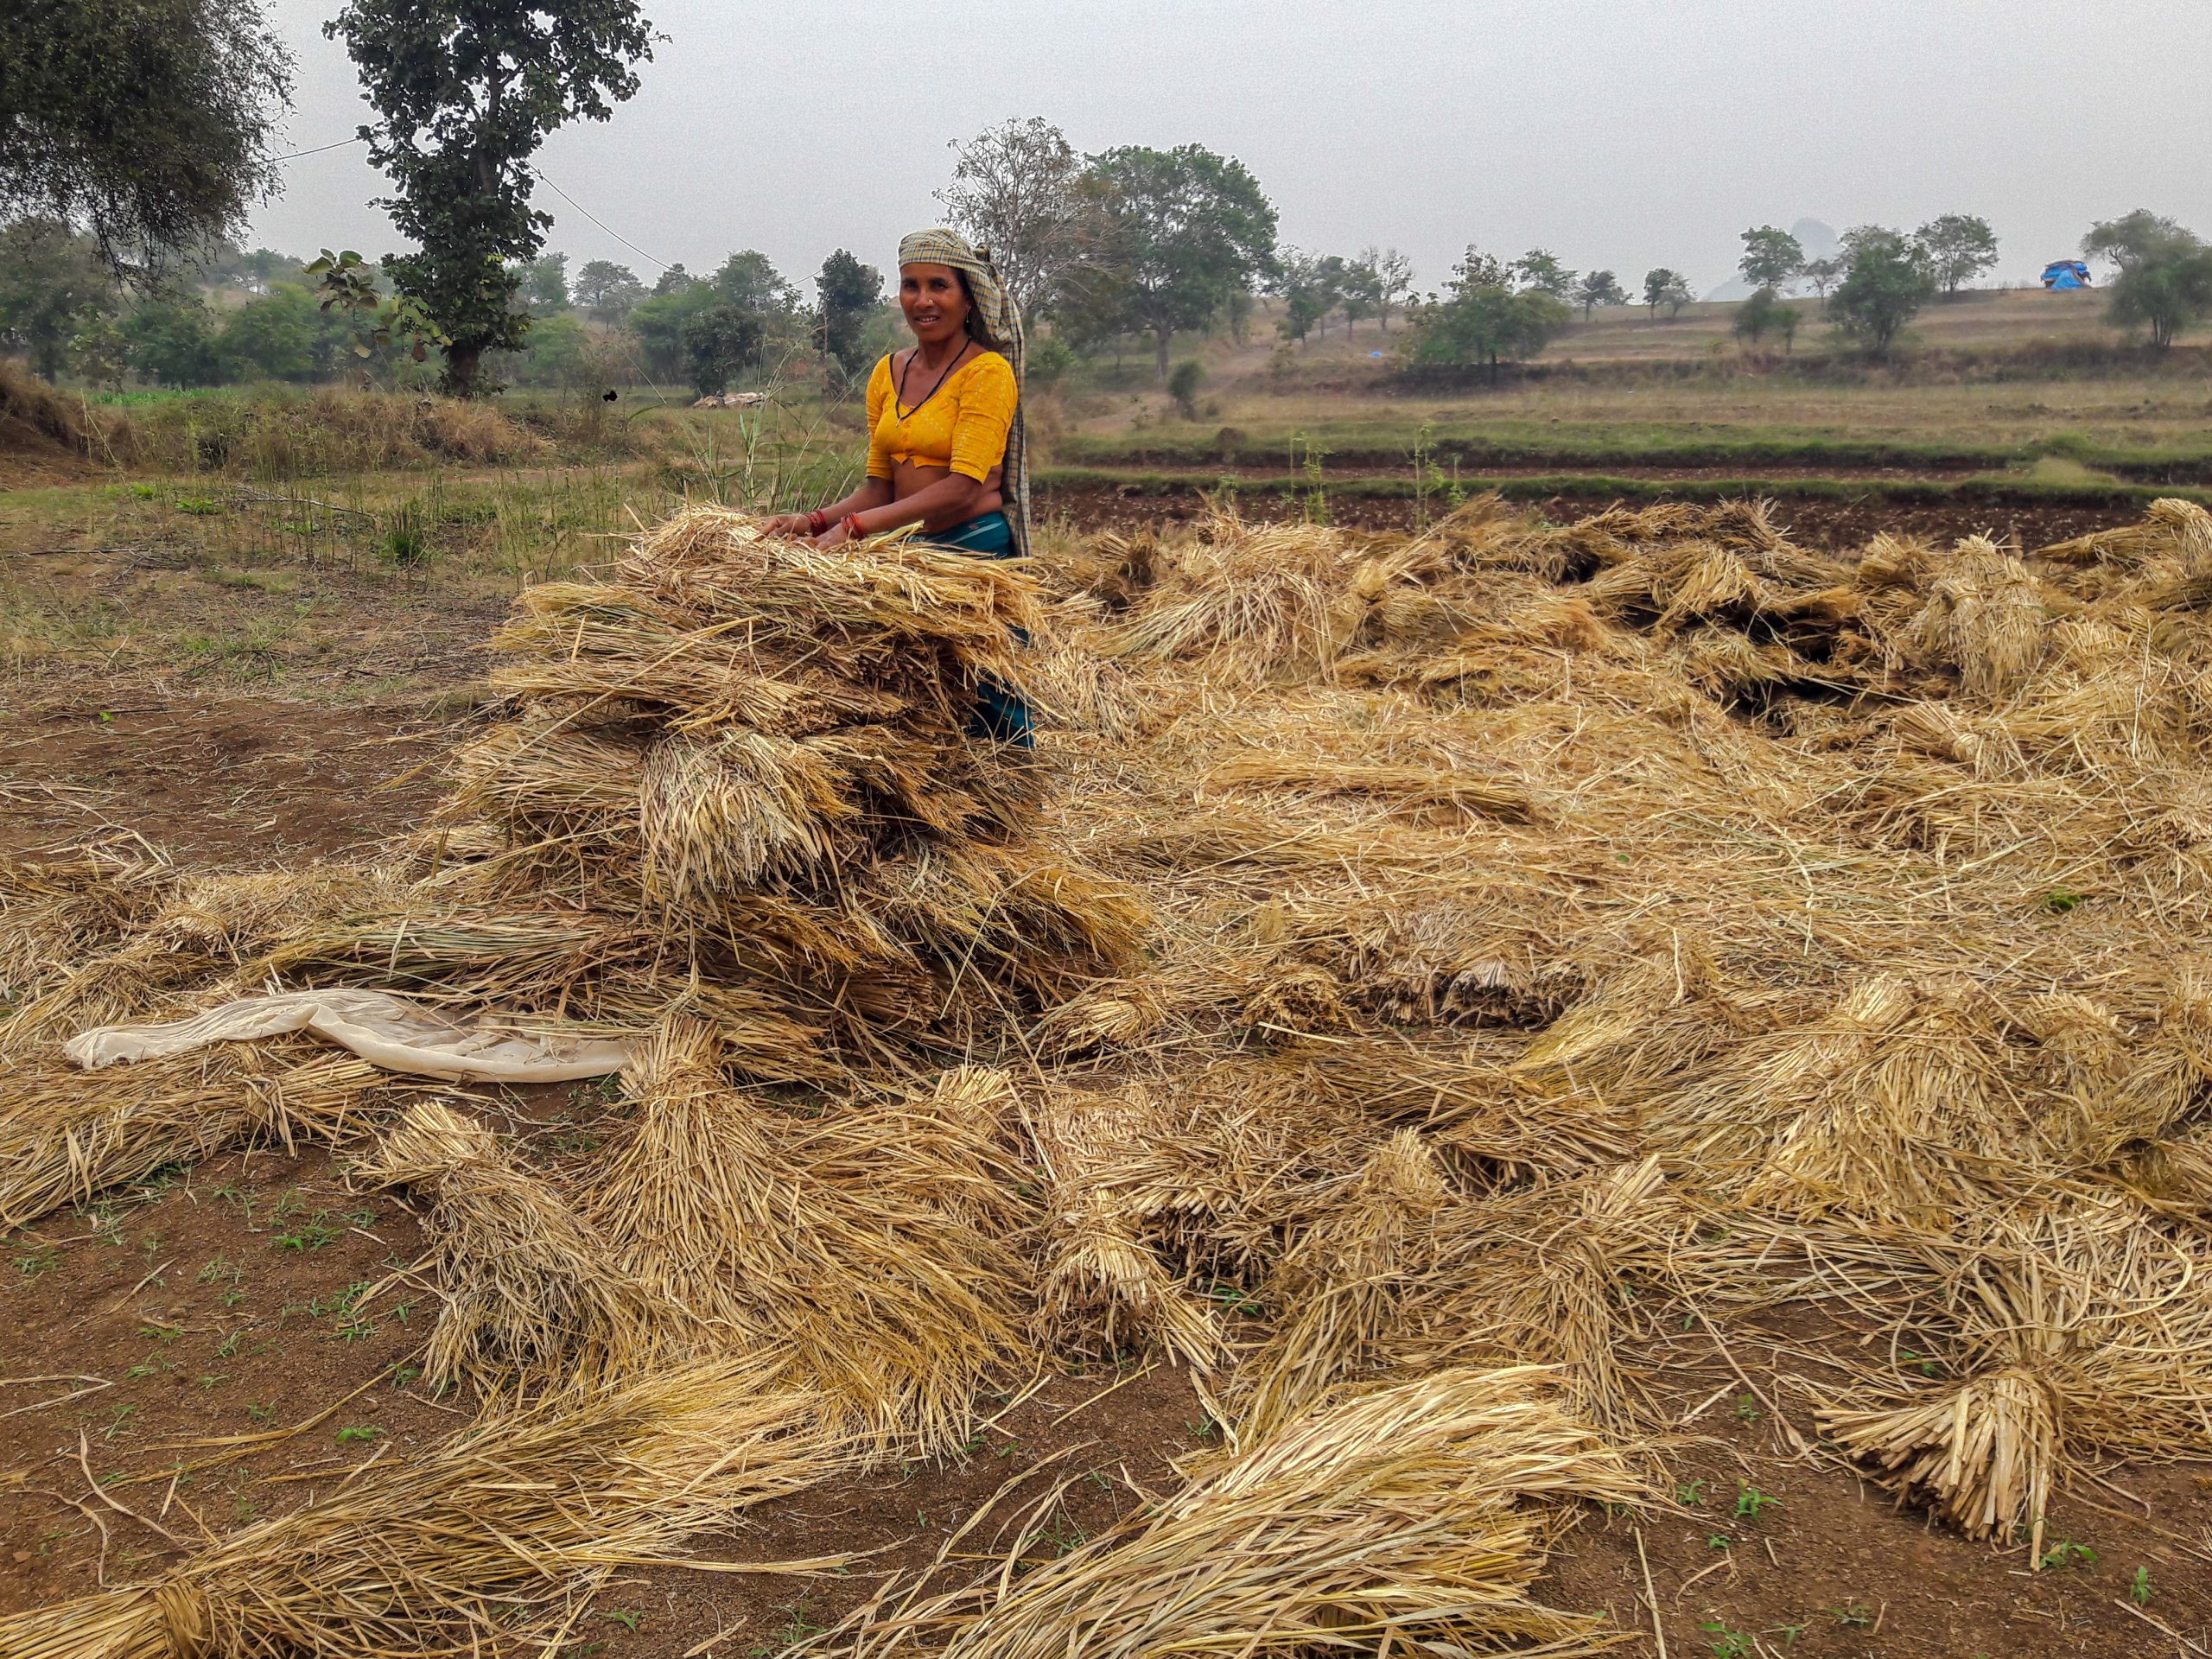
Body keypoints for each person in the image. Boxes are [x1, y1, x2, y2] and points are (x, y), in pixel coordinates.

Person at [766, 229, 1033, 743]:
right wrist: (809, 523)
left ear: (968, 297)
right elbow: (878, 489)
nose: (923, 300)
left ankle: (1011, 799)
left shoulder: (987, 373)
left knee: (989, 693)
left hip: (972, 552)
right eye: (911, 285)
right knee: (918, 700)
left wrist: (855, 530)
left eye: (939, 286)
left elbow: (960, 488)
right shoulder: (887, 372)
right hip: (913, 551)